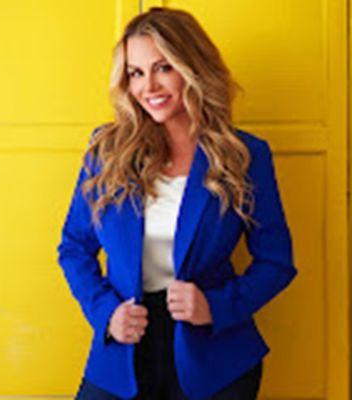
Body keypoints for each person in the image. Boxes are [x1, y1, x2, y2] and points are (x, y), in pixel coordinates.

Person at [57, 6, 298, 400]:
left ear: (193, 67)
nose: (148, 86)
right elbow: (74, 247)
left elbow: (276, 262)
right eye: (136, 73)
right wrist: (105, 313)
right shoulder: (107, 152)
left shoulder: (244, 155)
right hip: (122, 349)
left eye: (163, 68)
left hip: (216, 360)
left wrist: (216, 307)